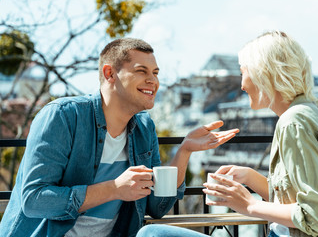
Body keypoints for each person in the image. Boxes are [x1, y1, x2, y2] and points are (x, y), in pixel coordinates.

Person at [0, 38, 239, 237]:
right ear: (109, 74)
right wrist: (114, 189)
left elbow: (157, 208)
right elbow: (33, 200)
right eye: (141, 71)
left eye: (155, 73)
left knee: (152, 234)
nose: (153, 81)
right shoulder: (63, 117)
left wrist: (184, 150)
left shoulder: (144, 127)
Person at [136, 31, 318, 237]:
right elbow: (296, 201)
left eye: (243, 72)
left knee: (151, 233)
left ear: (263, 73)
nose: (242, 85)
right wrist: (250, 177)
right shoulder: (308, 114)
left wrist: (249, 205)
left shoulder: (293, 122)